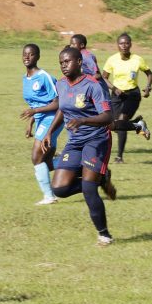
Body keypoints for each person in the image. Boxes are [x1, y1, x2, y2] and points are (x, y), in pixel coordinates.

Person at [42, 47, 118, 245]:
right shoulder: (61, 84)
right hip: (75, 141)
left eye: (67, 61)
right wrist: (49, 132)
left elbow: (108, 117)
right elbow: (62, 108)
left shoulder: (93, 85)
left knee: (88, 189)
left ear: (78, 62)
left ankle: (104, 235)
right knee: (60, 188)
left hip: (97, 139)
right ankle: (101, 179)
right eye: (61, 62)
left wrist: (84, 121)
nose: (63, 65)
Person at [18, 44, 60, 205]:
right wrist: (31, 122)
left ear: (38, 57)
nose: (27, 57)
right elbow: (36, 103)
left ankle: (49, 196)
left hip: (54, 118)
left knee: (36, 156)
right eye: (25, 54)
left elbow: (58, 102)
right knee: (46, 162)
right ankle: (77, 163)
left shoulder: (44, 77)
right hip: (42, 119)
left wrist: (34, 112)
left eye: (31, 54)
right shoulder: (25, 78)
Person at [101, 32, 152, 164]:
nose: (124, 45)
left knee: (122, 120)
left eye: (126, 43)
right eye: (121, 43)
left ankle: (119, 157)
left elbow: (149, 74)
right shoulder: (112, 59)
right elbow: (104, 77)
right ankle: (137, 125)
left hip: (132, 94)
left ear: (130, 44)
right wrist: (114, 89)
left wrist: (148, 87)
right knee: (114, 125)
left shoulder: (137, 59)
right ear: (117, 45)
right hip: (117, 95)